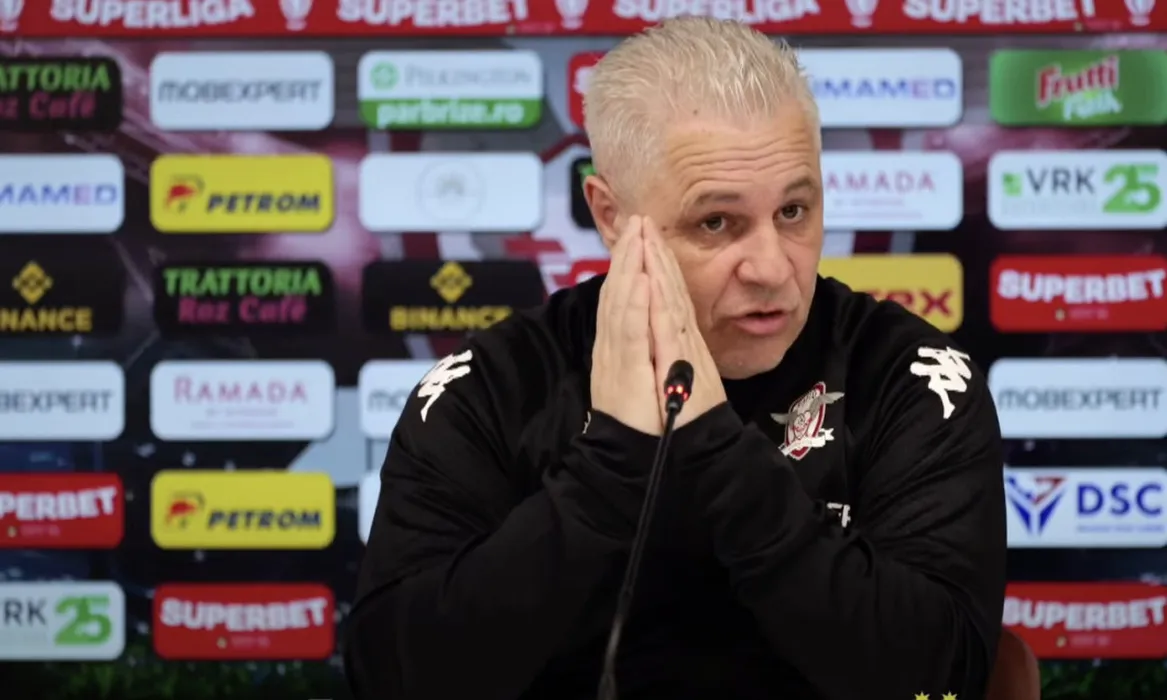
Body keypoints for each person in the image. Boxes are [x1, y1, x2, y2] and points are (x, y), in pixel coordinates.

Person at [345, 17, 1006, 700]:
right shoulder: (495, 384)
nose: (771, 268)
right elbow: (392, 677)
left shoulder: (909, 378)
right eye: (715, 222)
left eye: (793, 211)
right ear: (610, 216)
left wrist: (715, 449)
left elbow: (942, 676)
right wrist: (609, 468)